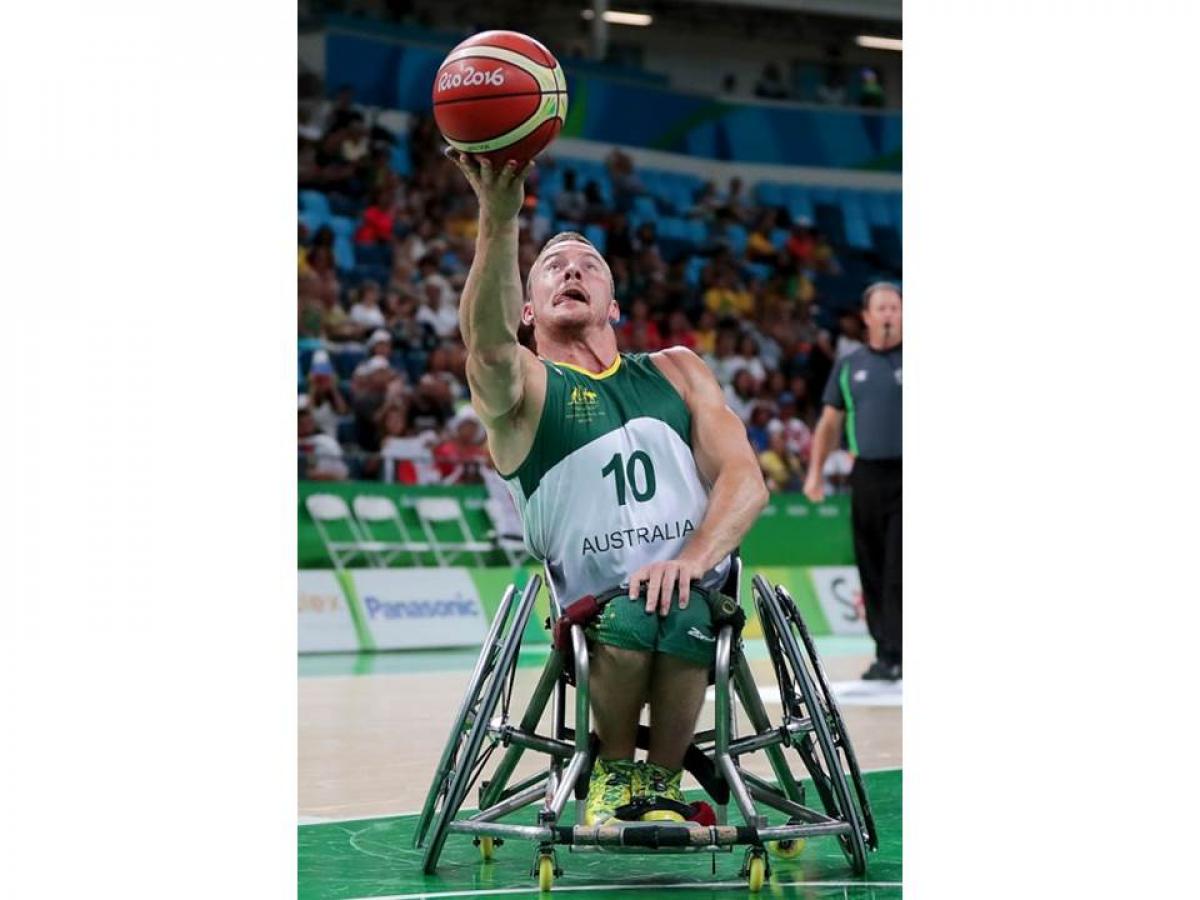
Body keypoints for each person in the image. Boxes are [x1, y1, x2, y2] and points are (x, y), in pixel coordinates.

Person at [447, 149, 768, 827]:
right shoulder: (527, 391)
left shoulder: (678, 370)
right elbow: (487, 348)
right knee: (632, 612)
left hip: (694, 589)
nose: (571, 267)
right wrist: (499, 222)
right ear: (527, 310)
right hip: (597, 612)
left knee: (680, 607)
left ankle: (659, 784)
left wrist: (690, 560)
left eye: (589, 263)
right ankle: (613, 779)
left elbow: (745, 478)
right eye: (553, 266)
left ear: (613, 303)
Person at [804, 283, 902, 681]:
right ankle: (886, 653)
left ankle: (900, 649)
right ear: (866, 316)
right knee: (873, 564)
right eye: (881, 308)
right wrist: (814, 473)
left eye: (895, 307)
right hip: (867, 476)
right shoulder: (849, 366)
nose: (889, 314)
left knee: (900, 564)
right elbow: (830, 423)